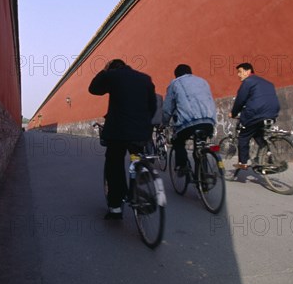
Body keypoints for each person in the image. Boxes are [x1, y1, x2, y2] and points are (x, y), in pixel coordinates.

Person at [89, 59, 157, 220]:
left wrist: (105, 71)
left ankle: (115, 207)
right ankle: (143, 178)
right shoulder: (145, 78)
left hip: (119, 131)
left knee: (114, 164)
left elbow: (94, 89)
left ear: (112, 68)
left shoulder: (113, 75)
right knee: (138, 157)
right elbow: (152, 106)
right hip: (141, 131)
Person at [162, 64, 217, 174]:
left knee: (177, 141)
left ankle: (182, 166)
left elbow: (168, 108)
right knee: (201, 146)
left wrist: (164, 122)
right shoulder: (203, 81)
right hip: (209, 121)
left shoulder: (175, 83)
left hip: (189, 122)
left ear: (176, 75)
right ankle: (203, 179)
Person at [228, 62, 280, 170]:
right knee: (258, 133)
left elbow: (240, 100)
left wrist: (233, 113)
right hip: (272, 112)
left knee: (243, 136)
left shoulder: (248, 82)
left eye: (240, 72)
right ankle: (268, 158)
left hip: (256, 113)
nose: (238, 75)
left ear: (248, 71)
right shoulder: (268, 83)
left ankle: (243, 163)